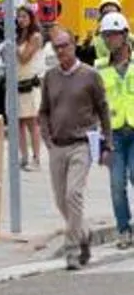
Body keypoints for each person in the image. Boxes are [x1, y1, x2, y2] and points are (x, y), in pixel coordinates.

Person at [38, 26, 113, 270]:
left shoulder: (90, 75)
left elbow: (102, 109)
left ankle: (71, 252)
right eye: (56, 47)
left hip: (82, 143)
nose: (61, 51)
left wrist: (107, 142)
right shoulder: (50, 77)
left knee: (73, 195)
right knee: (61, 200)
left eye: (64, 46)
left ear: (73, 46)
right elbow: (44, 111)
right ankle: (84, 234)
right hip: (57, 146)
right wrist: (47, 140)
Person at [103, 16, 134, 250]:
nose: (110, 39)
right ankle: (124, 230)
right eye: (106, 35)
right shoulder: (100, 68)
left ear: (125, 35)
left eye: (113, 34)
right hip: (113, 136)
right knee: (116, 185)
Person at [15, 5, 46, 171]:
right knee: (18, 122)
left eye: (24, 17)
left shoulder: (35, 37)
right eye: (19, 17)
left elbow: (25, 58)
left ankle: (36, 158)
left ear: (31, 18)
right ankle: (24, 156)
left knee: (32, 123)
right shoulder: (19, 36)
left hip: (30, 84)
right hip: (17, 83)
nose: (21, 20)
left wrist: (12, 46)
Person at [79, 0, 123, 65]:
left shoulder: (130, 39)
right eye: (106, 13)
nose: (110, 16)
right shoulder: (93, 42)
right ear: (101, 16)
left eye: (113, 13)